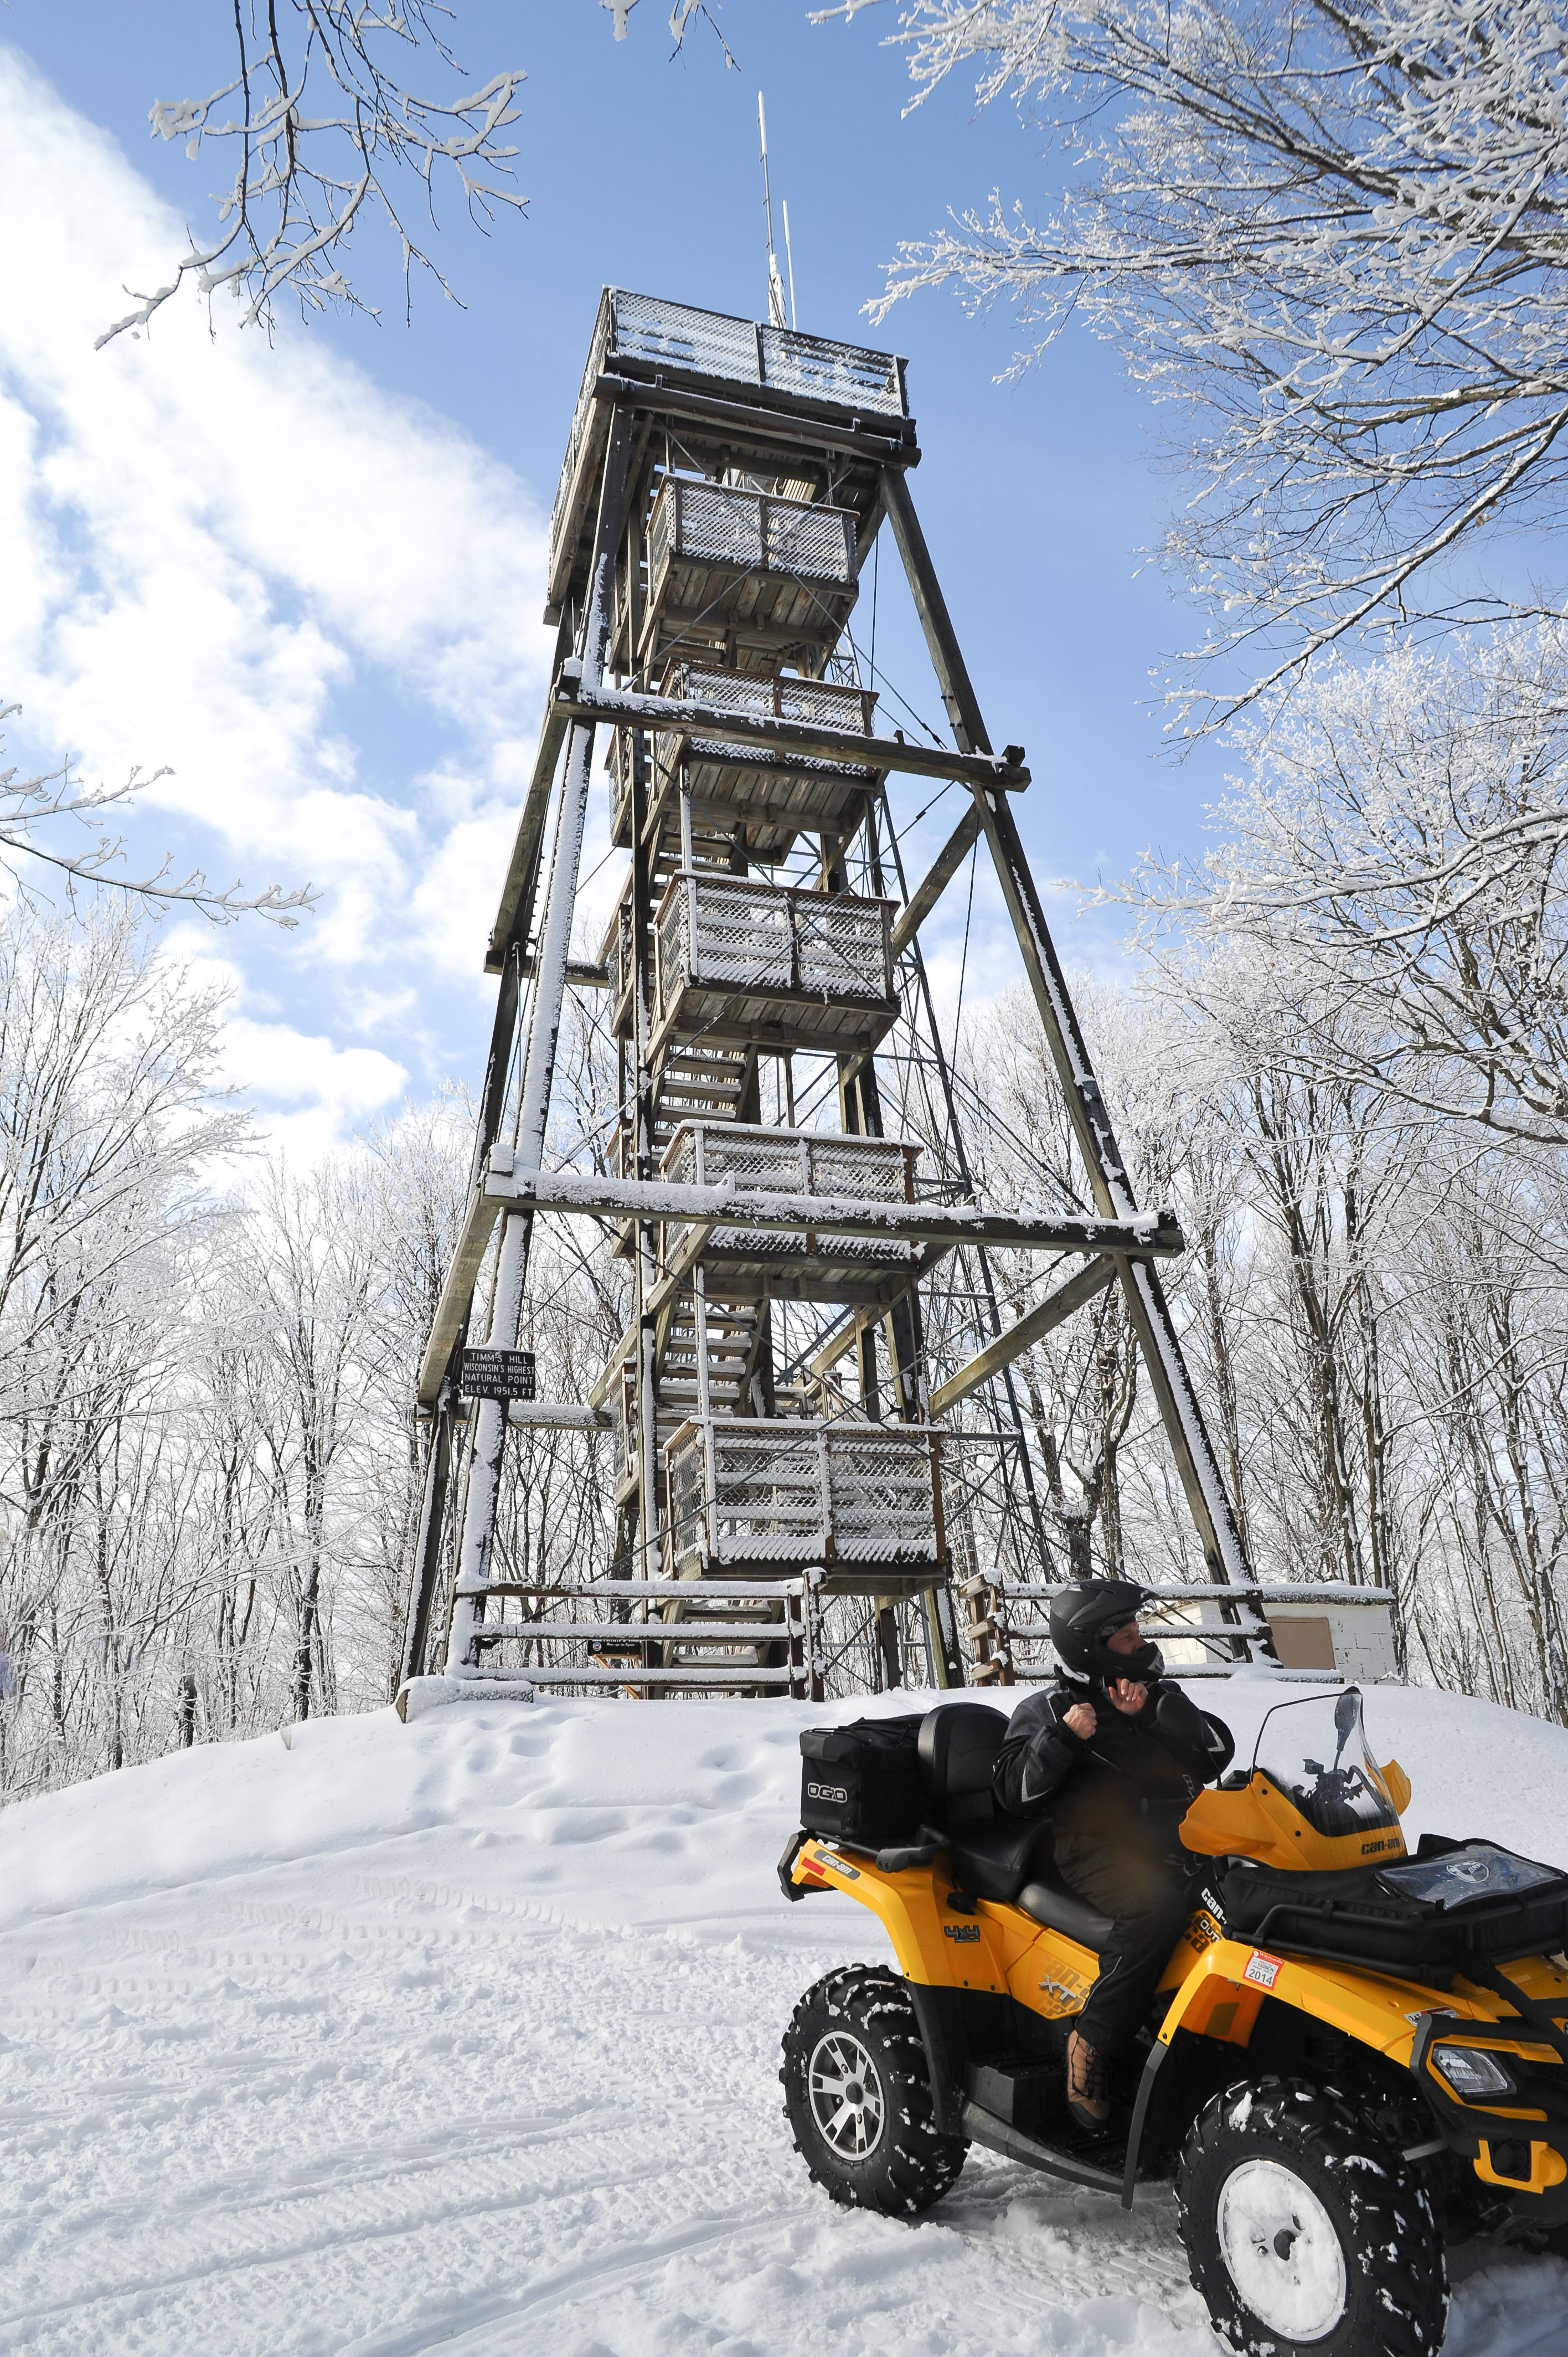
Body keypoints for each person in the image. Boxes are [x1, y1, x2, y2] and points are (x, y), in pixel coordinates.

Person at [993, 1578, 1234, 2133]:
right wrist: (1063, 1738)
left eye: (1137, 1630)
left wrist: (1155, 1715)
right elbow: (1013, 1792)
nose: (1140, 1640)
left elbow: (1217, 1752)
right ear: (1091, 1643)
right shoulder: (1050, 1707)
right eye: (1127, 1634)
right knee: (1156, 1909)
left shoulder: (1153, 1693)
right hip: (1097, 1851)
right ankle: (1092, 2043)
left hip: (1182, 1838)